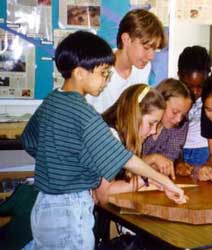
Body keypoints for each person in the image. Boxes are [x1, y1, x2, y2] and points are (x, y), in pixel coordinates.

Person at [20, 31, 186, 249]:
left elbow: (29, 141)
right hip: (71, 209)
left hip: (43, 204)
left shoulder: (52, 101)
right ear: (80, 73)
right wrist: (164, 181)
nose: (106, 81)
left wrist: (60, 161)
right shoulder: (83, 113)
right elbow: (124, 158)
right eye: (103, 73)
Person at [94, 84, 174, 204]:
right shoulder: (109, 136)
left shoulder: (121, 133)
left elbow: (124, 170)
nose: (154, 131)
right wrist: (145, 179)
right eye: (151, 124)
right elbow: (103, 194)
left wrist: (148, 176)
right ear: (134, 114)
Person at [86, 9, 165, 113]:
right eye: (146, 48)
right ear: (126, 39)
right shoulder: (97, 67)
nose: (151, 56)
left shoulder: (144, 68)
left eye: (154, 49)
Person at [143, 78, 193, 176]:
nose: (178, 119)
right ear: (159, 102)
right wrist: (153, 158)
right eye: (174, 112)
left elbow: (167, 162)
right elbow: (124, 163)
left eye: (183, 115)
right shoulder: (140, 122)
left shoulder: (180, 125)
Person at [177, 46, 212, 167]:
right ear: (179, 77)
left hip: (205, 150)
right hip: (177, 151)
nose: (195, 92)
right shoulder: (172, 97)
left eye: (200, 86)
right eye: (189, 86)